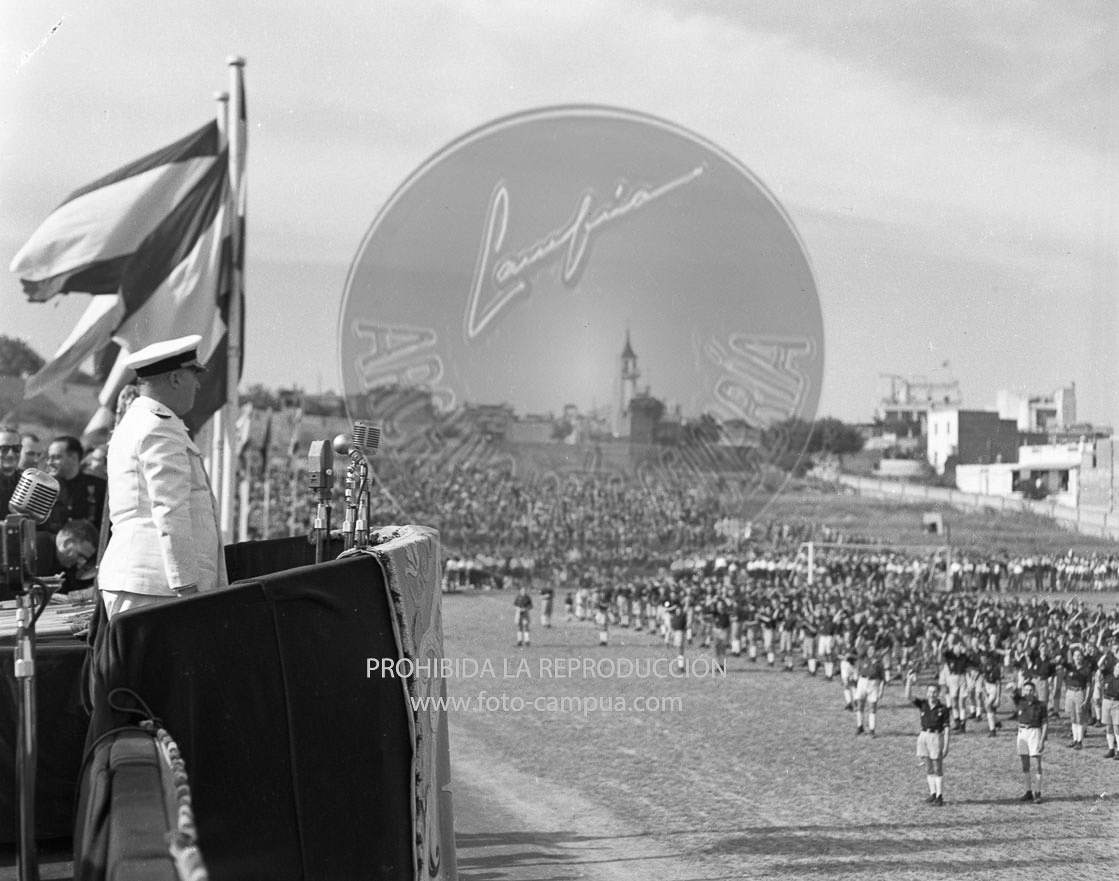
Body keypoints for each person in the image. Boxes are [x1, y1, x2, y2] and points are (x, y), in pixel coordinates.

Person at [97, 335, 228, 618]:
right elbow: (170, 510)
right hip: (159, 587)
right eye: (194, 375)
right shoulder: (159, 427)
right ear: (176, 378)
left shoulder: (138, 421)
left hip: (145, 581)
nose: (198, 385)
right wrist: (187, 586)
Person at [44, 435, 107, 532]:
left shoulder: (100, 487)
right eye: (49, 458)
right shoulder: (44, 487)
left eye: (56, 457)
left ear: (73, 458)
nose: (49, 462)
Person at [913, 683, 951, 805]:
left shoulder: (943, 709)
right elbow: (908, 696)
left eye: (934, 692)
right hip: (924, 735)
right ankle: (932, 793)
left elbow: (947, 729)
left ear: (938, 693)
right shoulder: (923, 704)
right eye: (930, 692)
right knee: (928, 767)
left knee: (937, 767)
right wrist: (909, 681)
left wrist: (946, 745)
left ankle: (940, 796)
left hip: (935, 736)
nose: (932, 694)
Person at [1014, 680, 1048, 803]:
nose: (1028, 692)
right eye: (1026, 690)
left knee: (1037, 764)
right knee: (1025, 764)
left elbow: (1044, 723)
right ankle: (1028, 791)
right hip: (1022, 732)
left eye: (1031, 690)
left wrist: (1042, 740)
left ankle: (1038, 792)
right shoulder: (1020, 702)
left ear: (1034, 692)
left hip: (1034, 733)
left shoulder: (1040, 705)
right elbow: (1013, 693)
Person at [0, 426, 22, 517]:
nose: (11, 454)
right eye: (4, 448)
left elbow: (43, 528)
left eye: (16, 448)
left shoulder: (30, 484)